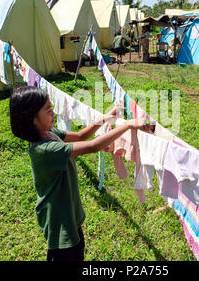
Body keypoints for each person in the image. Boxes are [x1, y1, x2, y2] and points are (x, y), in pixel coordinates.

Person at [9, 86, 152, 261]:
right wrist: (128, 125)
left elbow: (80, 135)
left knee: (77, 251)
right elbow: (92, 146)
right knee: (65, 254)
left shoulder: (48, 133)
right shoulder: (44, 149)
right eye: (48, 110)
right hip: (58, 219)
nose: (53, 112)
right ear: (32, 119)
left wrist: (105, 119)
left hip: (68, 211)